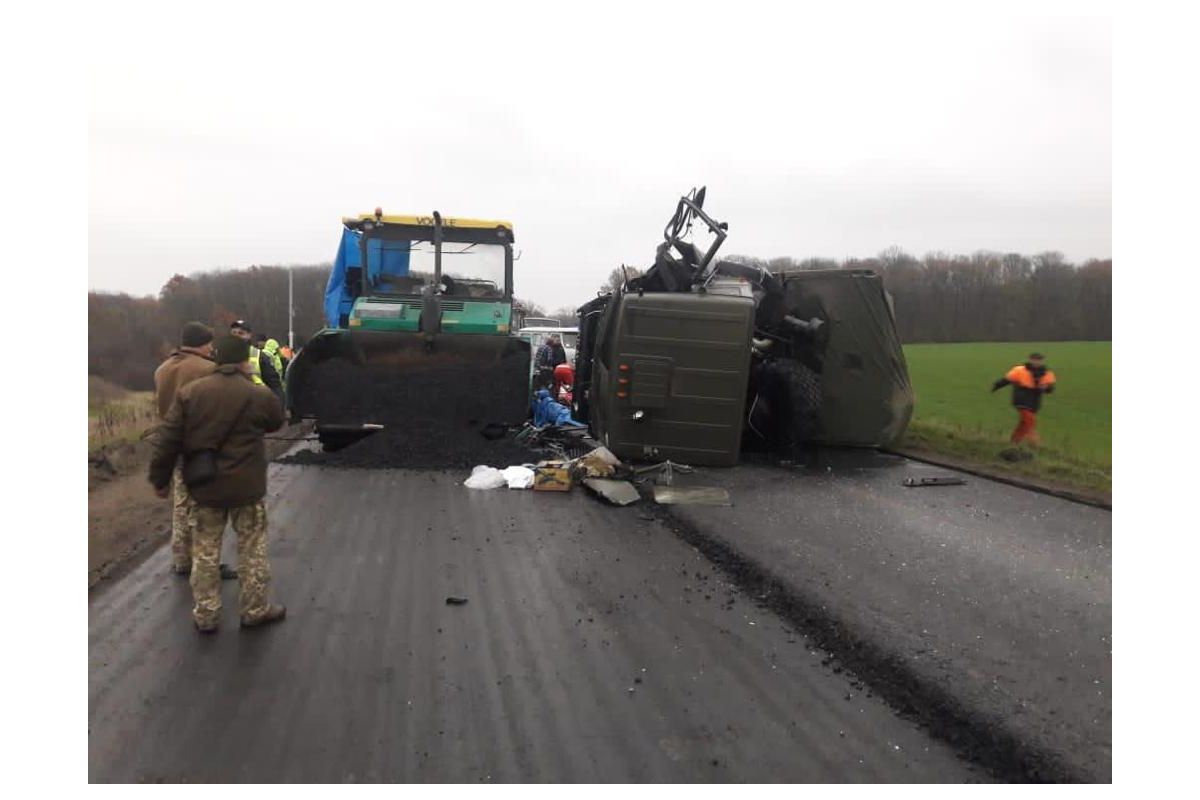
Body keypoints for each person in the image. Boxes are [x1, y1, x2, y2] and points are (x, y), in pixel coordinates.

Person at [149, 335, 287, 632]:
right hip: (246, 487)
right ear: (243, 362)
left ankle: (207, 615)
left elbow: (168, 441)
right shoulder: (256, 394)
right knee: (252, 549)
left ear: (217, 358)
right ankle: (254, 609)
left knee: (205, 550)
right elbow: (276, 420)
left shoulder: (190, 394)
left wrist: (160, 480)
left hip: (205, 485)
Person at [153, 322, 238, 579]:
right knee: (203, 509)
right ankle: (206, 565)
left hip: (173, 445)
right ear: (202, 344)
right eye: (209, 343)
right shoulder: (208, 370)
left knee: (180, 503)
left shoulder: (162, 370)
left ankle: (182, 558)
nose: (212, 348)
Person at [991, 352, 1057, 447]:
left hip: (1035, 400)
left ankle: (1014, 441)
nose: (1036, 362)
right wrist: (997, 386)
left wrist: (1045, 388)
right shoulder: (1019, 370)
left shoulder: (1047, 373)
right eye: (1034, 359)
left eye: (1039, 360)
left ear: (1042, 361)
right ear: (1030, 360)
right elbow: (1007, 380)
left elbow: (1050, 389)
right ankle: (1035, 443)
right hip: (1021, 398)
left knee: (1024, 423)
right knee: (1030, 421)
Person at [230, 320, 284, 400]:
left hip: (255, 403)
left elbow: (274, 386)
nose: (237, 336)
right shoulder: (221, 355)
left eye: (241, 333)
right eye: (234, 333)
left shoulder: (260, 356)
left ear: (249, 335)